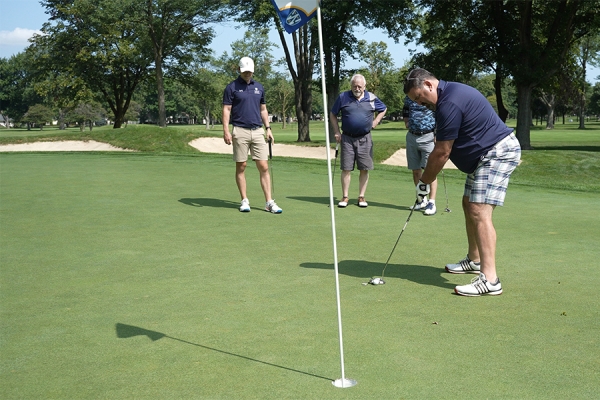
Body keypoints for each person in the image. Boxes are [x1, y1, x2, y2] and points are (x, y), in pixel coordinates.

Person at [404, 68, 521, 296]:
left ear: (429, 85)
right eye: (415, 101)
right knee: (468, 203)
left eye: (419, 97)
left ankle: (490, 280)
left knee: (479, 210)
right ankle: (475, 260)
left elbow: (441, 152)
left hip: (497, 152)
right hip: (484, 156)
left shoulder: (450, 102)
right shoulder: (446, 97)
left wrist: (424, 183)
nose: (420, 103)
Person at [222, 57, 282, 214]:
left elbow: (263, 109)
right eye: (245, 71)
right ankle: (244, 200)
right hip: (240, 130)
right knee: (241, 165)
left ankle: (269, 202)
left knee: (263, 166)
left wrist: (268, 128)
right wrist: (226, 130)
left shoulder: (259, 87)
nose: (248, 74)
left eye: (250, 71)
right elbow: (227, 109)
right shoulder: (231, 87)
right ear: (240, 71)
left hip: (257, 130)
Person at [330, 74, 387, 208]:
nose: (357, 89)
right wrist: (336, 132)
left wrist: (377, 120)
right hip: (347, 138)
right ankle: (345, 197)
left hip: (365, 137)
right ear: (351, 86)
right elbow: (333, 114)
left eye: (359, 86)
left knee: (364, 168)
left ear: (364, 86)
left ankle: (361, 197)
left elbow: (383, 109)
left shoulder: (371, 98)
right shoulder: (343, 97)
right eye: (354, 86)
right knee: (346, 168)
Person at [403, 95, 438, 215]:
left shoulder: (430, 96)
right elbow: (405, 109)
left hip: (428, 136)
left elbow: (439, 114)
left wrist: (437, 133)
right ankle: (422, 200)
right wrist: (406, 121)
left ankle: (432, 202)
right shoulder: (409, 97)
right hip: (412, 136)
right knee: (415, 170)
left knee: (431, 170)